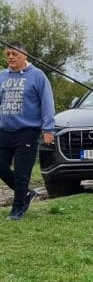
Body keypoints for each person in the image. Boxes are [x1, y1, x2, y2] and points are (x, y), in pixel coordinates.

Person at [0, 41, 55, 220]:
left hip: (28, 130)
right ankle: (26, 193)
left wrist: (48, 128)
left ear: (25, 55)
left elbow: (47, 103)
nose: (11, 57)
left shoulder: (37, 75)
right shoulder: (2, 76)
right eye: (8, 54)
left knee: (22, 172)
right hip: (5, 130)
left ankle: (17, 209)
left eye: (14, 54)